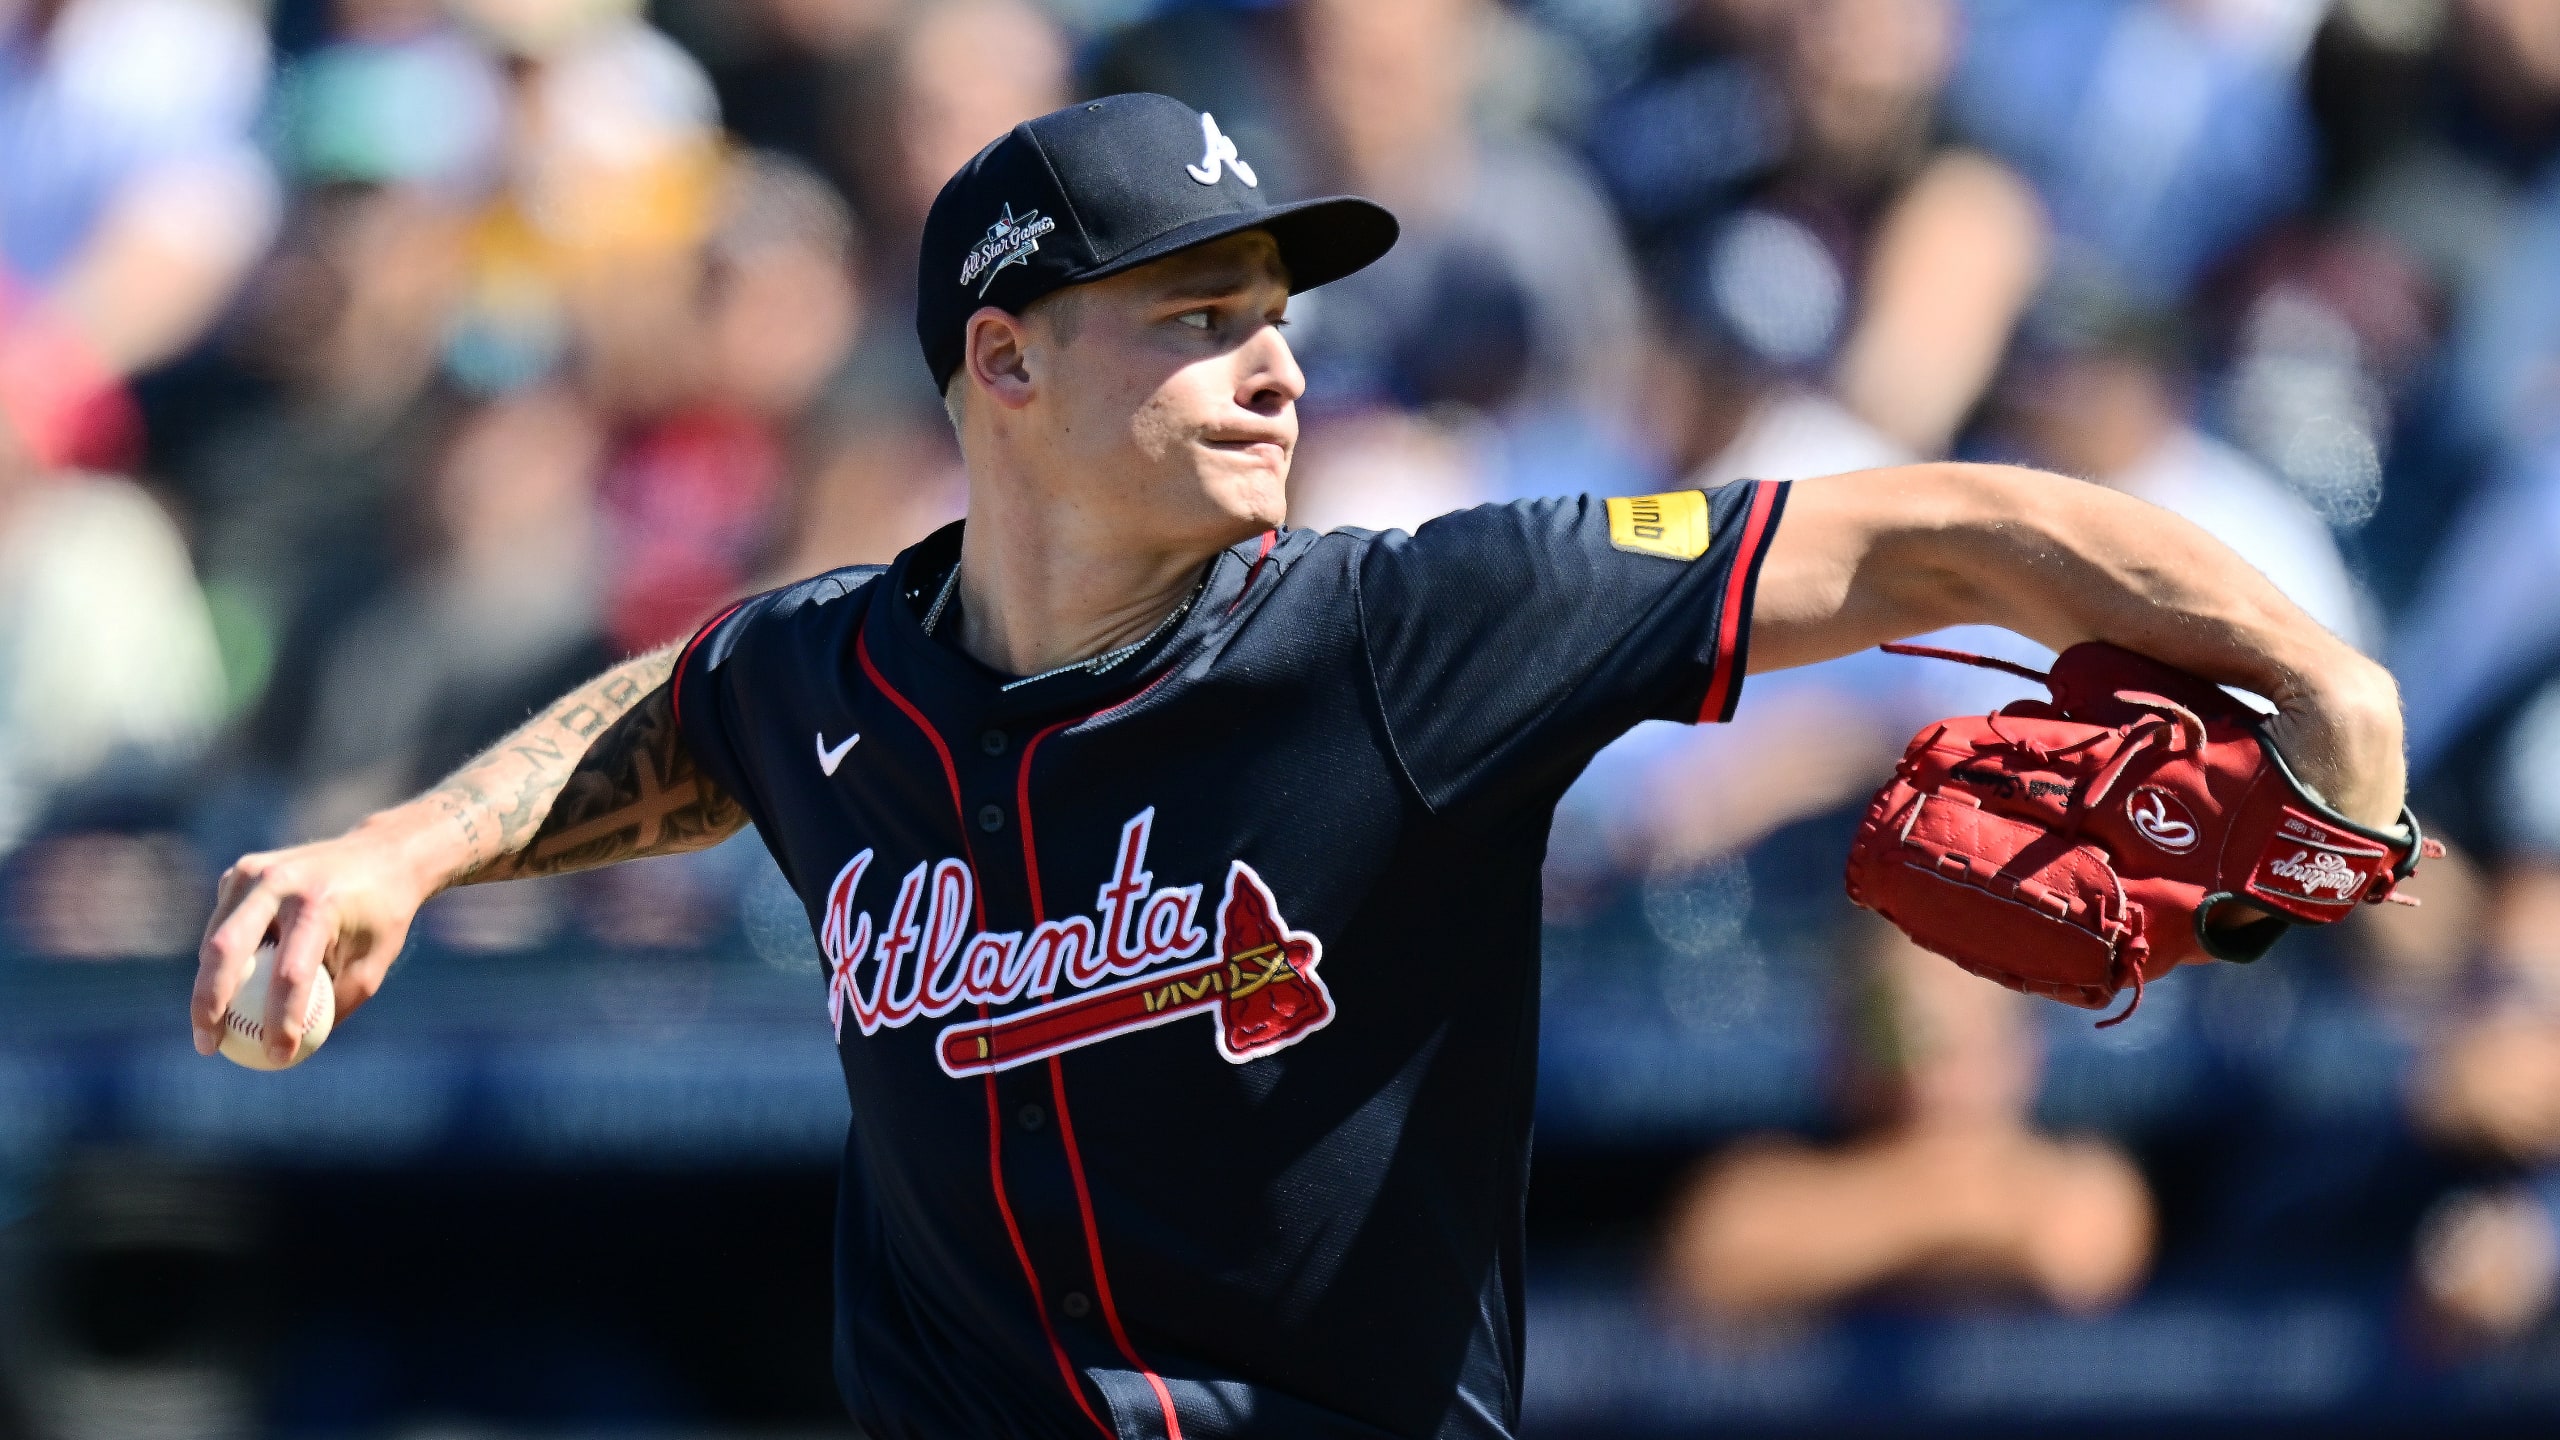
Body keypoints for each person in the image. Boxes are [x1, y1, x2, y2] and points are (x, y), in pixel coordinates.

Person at [191, 94, 2410, 1440]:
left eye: (1276, 313)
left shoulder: (1413, 628)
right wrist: (403, 850)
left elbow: (1928, 530)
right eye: (1194, 317)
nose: (1272, 366)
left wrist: (2311, 669)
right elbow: (689, 713)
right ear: (1001, 362)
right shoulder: (840, 669)